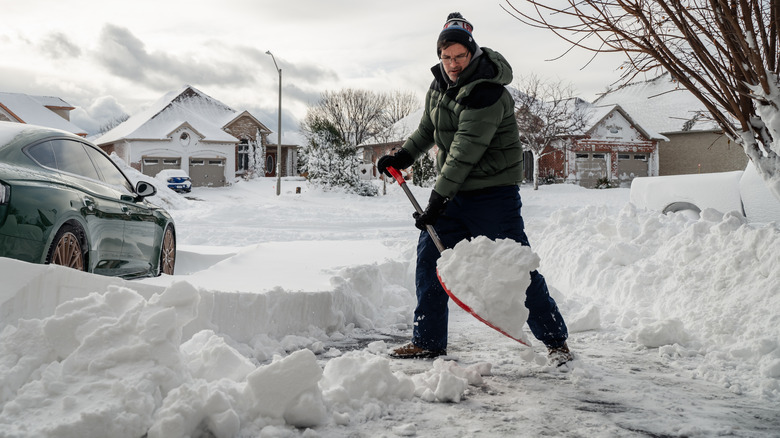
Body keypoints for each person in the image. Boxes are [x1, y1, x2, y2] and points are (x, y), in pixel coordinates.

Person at [377, 12, 572, 366]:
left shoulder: (487, 90)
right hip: (453, 195)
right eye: (445, 57)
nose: (452, 64)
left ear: (473, 53)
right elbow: (428, 130)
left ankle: (556, 341)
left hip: (492, 197)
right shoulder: (439, 86)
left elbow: (466, 150)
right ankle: (428, 340)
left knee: (515, 269)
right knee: (429, 263)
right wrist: (402, 156)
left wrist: (437, 198)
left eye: (459, 56)